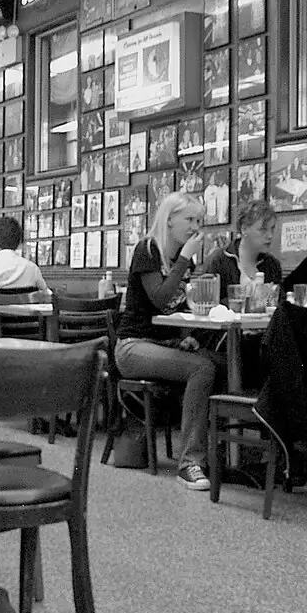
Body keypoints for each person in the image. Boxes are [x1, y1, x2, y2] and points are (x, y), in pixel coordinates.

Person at [115, 192, 227, 492]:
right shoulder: (148, 249)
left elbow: (175, 309)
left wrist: (182, 338)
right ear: (169, 220)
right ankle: (190, 462)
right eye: (189, 219)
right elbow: (161, 298)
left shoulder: (180, 259)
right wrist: (186, 259)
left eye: (199, 220)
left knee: (220, 363)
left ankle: (222, 455)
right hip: (132, 346)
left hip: (162, 345)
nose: (195, 226)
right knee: (201, 369)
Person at [204, 200, 281, 297]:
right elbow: (208, 301)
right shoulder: (218, 261)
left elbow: (276, 304)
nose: (270, 235)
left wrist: (267, 301)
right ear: (244, 229)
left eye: (272, 228)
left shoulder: (272, 264)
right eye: (263, 229)